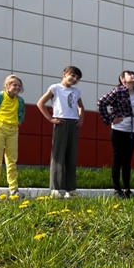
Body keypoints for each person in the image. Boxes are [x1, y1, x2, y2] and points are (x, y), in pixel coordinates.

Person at [97, 70, 134, 199]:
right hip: (118, 129)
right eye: (129, 75)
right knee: (118, 159)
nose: (133, 76)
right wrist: (109, 119)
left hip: (131, 130)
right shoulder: (117, 91)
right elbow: (101, 102)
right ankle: (117, 189)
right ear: (122, 79)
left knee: (127, 161)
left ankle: (127, 189)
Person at [37, 66, 85, 199]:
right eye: (72, 76)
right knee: (58, 154)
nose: (74, 79)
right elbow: (41, 103)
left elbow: (81, 106)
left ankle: (71, 188)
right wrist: (50, 118)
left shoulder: (76, 91)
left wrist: (81, 118)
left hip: (73, 123)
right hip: (61, 122)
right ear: (64, 74)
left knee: (71, 155)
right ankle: (56, 188)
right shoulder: (55, 88)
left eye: (77, 78)